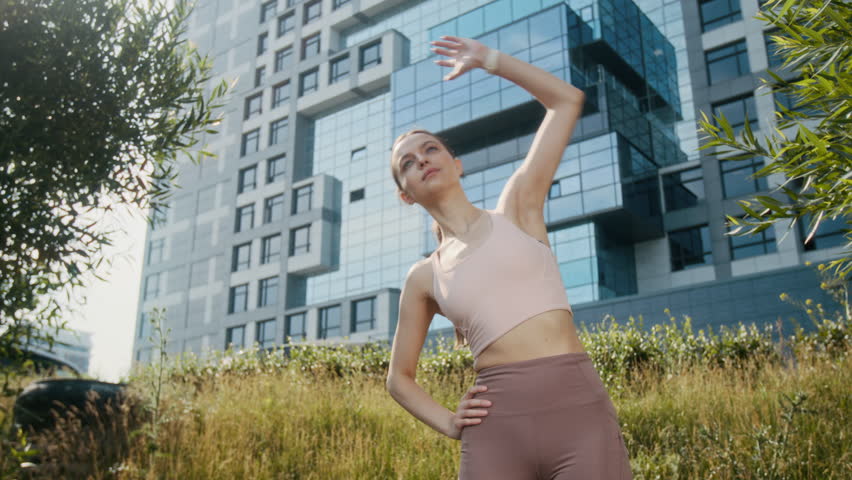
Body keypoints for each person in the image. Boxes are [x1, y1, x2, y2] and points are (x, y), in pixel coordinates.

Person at [385, 35, 633, 479]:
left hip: (579, 415)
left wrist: (490, 60)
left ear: (456, 163)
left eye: (431, 149)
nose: (422, 160)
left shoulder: (518, 207)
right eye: (408, 162)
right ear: (406, 195)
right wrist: (449, 422)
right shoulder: (425, 277)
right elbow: (398, 379)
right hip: (496, 430)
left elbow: (566, 102)